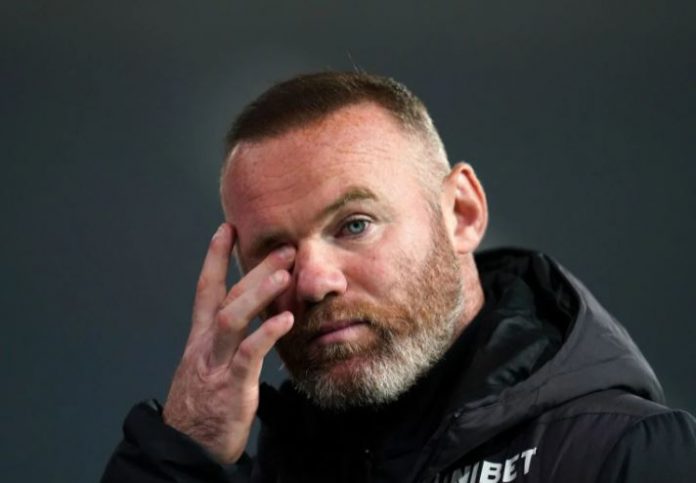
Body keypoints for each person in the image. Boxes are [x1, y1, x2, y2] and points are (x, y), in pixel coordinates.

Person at [102, 72, 696, 483]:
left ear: (461, 213)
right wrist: (184, 452)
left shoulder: (622, 455)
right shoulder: (260, 468)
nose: (313, 282)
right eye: (275, 251)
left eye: (355, 225)